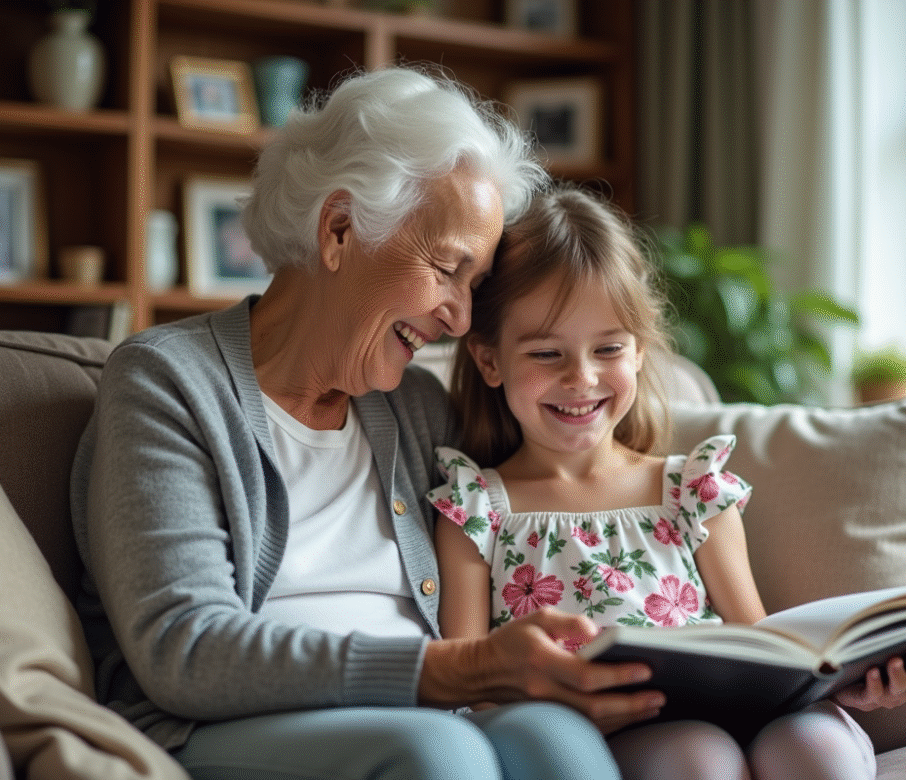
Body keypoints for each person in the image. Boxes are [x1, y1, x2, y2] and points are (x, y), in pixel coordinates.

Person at [71, 68, 664, 780]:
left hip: (427, 716)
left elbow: (563, 478)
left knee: (553, 739)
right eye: (448, 269)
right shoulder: (167, 381)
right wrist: (459, 669)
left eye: (474, 287)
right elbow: (185, 649)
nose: (461, 318)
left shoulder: (416, 408)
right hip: (219, 728)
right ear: (340, 229)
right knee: (439, 753)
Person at [428, 184, 906, 780]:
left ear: (642, 351)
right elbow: (468, 686)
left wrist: (851, 683)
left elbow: (762, 647)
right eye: (547, 354)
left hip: (741, 715)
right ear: (490, 361)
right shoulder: (476, 508)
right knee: (697, 759)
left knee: (814, 749)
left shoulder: (692, 490)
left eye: (609, 349)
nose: (582, 377)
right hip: (613, 737)